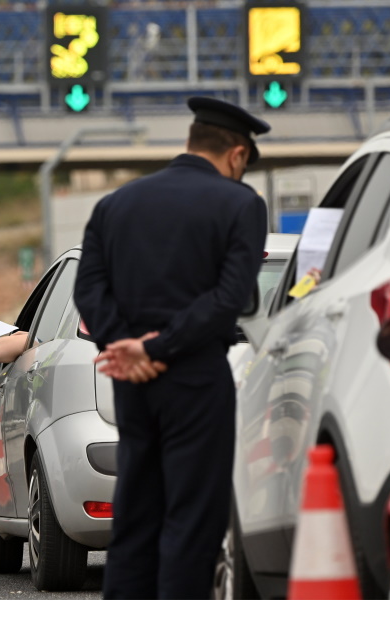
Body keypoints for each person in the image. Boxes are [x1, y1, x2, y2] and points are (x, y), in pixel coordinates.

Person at [73, 96, 270, 599]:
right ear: (238, 155)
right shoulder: (241, 204)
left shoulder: (115, 205)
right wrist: (161, 346)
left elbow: (89, 291)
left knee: (136, 516)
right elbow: (228, 299)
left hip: (132, 386)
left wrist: (125, 346)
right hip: (197, 378)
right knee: (192, 520)